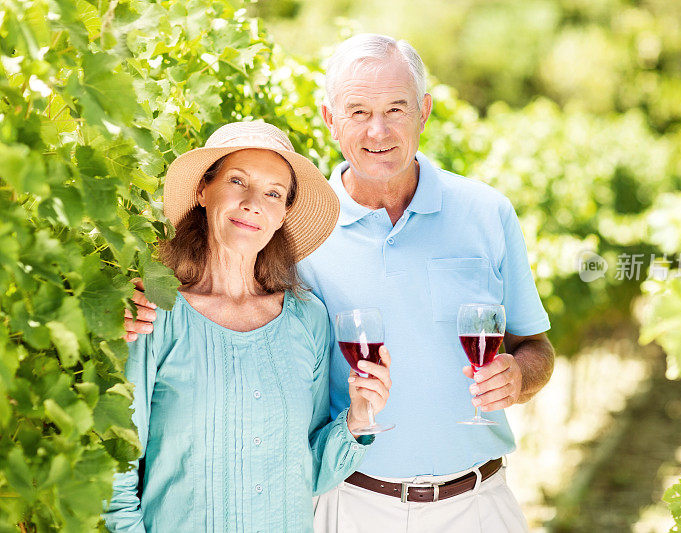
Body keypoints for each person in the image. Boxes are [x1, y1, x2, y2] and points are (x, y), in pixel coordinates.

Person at [126, 35, 555, 532]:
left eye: (396, 108)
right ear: (330, 120)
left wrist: (520, 376)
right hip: (351, 504)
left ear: (425, 111)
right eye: (357, 111)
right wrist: (137, 301)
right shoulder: (290, 237)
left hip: (479, 501)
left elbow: (537, 347)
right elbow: (220, 283)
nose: (379, 129)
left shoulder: (487, 212)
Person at [105, 121, 392, 533]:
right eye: (237, 181)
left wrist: (360, 418)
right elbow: (116, 475)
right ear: (203, 190)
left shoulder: (306, 318)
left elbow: (307, 474)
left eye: (273, 193)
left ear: (283, 214)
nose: (253, 203)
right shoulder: (154, 313)